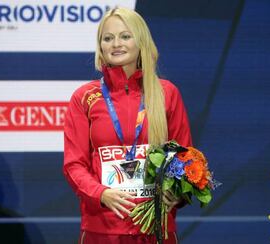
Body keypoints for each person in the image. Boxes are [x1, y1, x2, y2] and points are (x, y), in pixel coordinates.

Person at [63, 7, 192, 244]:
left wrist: (178, 193)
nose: (116, 44)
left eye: (125, 36)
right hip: (102, 228)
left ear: (140, 41)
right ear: (100, 46)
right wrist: (101, 193)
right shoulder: (84, 97)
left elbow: (183, 156)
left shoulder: (167, 93)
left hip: (156, 228)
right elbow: (74, 164)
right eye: (108, 38)